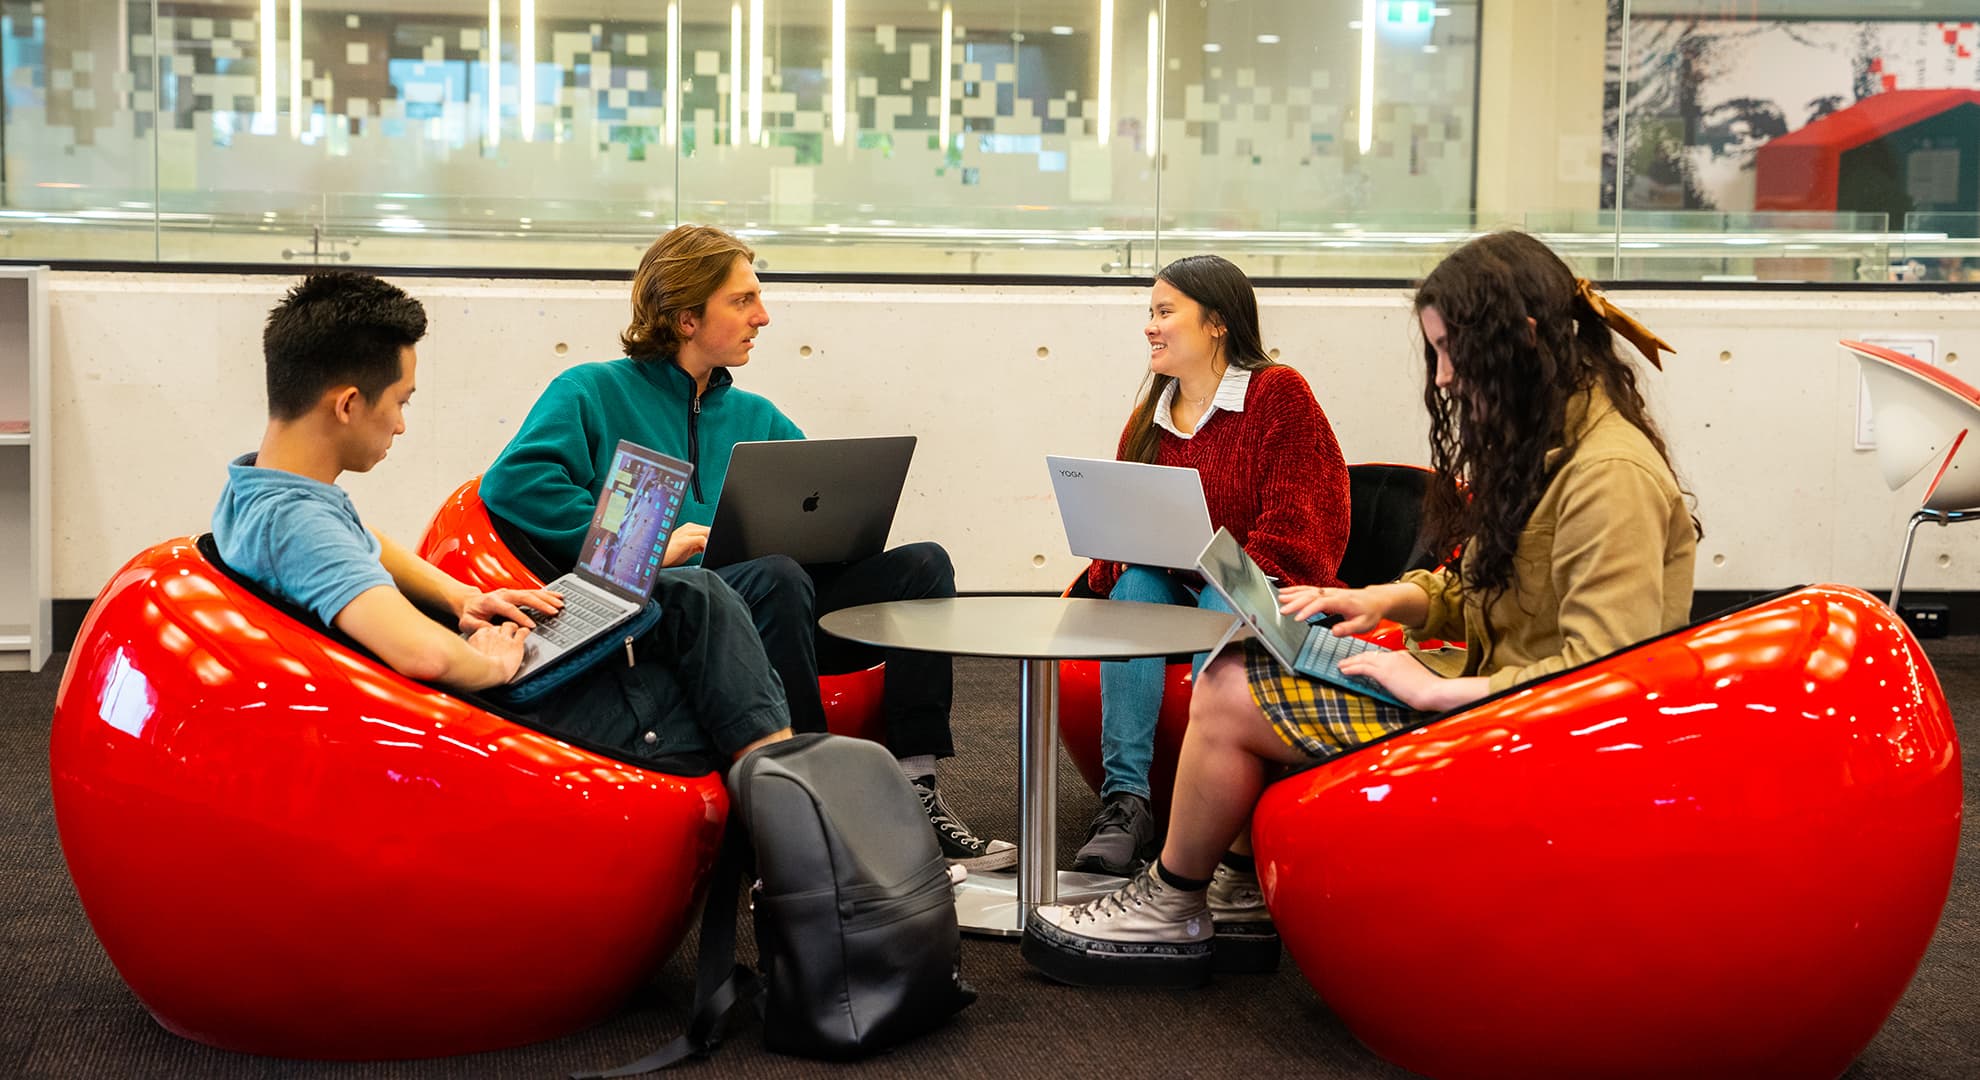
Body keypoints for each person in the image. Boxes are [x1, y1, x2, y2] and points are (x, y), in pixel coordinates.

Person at [1025, 231, 1701, 985]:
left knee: (1226, 686)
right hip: (1486, 692)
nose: (1443, 380)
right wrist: (1375, 598)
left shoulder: (1608, 477)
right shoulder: (1550, 449)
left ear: (1524, 341)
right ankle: (1233, 885)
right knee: (1251, 653)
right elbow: (1472, 588)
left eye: (1451, 354)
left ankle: (1174, 899)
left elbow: (1608, 677)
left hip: (1514, 724)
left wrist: (1446, 690)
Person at [480, 224, 1014, 871]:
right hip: (674, 614)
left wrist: (843, 538)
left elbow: (814, 508)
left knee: (924, 565)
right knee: (780, 575)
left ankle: (916, 783)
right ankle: (822, 800)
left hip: (778, 610)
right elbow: (515, 483)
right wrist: (648, 542)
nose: (762, 316)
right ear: (684, 316)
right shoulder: (592, 390)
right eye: (742, 301)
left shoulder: (758, 416)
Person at [213, 271, 793, 769]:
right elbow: (424, 656)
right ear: (347, 404)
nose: (401, 425)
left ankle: (805, 803)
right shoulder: (296, 524)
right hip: (487, 707)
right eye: (401, 401)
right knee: (705, 619)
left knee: (693, 603)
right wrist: (490, 661)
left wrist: (465, 597)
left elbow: (362, 541)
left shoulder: (262, 487)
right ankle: (803, 824)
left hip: (472, 669)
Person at [1073, 254, 1350, 877]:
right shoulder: (1151, 414)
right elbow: (1118, 541)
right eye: (1150, 312)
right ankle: (1127, 802)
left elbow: (1301, 528)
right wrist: (1118, 548)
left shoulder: (1279, 394)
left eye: (1165, 312)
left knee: (1216, 598)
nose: (1151, 326)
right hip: (1175, 588)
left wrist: (1218, 570)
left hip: (1264, 594)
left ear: (1217, 323)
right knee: (1139, 583)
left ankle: (1216, 811)